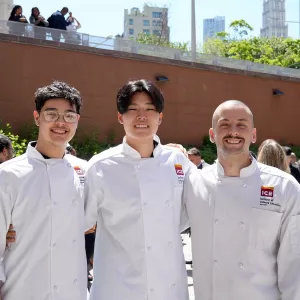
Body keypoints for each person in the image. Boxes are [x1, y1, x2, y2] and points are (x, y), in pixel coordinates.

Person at [84, 79, 195, 300]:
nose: (141, 116)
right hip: (117, 285)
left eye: (149, 109)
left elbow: (199, 206)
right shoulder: (101, 166)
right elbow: (78, 221)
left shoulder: (178, 162)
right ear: (120, 117)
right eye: (133, 109)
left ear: (160, 117)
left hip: (169, 284)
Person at [184, 100, 300, 300]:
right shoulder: (193, 182)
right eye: (224, 125)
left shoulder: (284, 187)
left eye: (241, 125)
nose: (233, 131)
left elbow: (295, 264)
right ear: (212, 135)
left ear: (253, 134)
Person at [0, 81, 88, 300]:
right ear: (37, 117)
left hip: (73, 292)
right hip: (22, 290)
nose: (60, 122)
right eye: (51, 114)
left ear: (77, 120)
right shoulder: (8, 174)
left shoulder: (87, 173)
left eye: (69, 115)